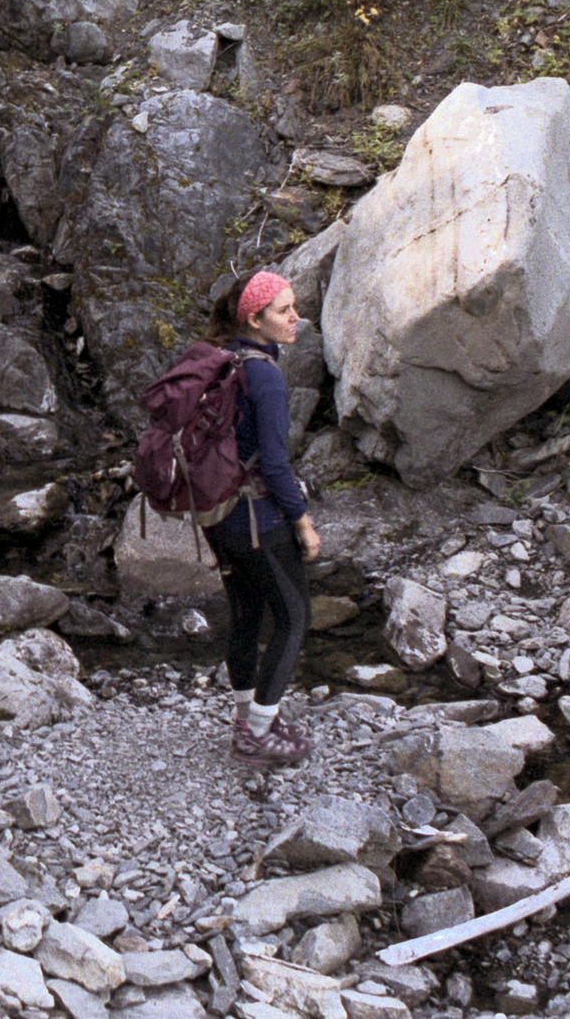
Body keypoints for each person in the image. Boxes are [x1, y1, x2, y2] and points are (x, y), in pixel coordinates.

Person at [208, 268, 321, 766]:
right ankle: (255, 735)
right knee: (294, 616)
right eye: (283, 310)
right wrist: (302, 522)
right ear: (255, 318)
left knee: (247, 613)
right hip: (258, 520)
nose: (296, 318)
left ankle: (247, 717)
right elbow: (275, 463)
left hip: (216, 516)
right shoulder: (267, 376)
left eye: (294, 306)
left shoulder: (224, 362)